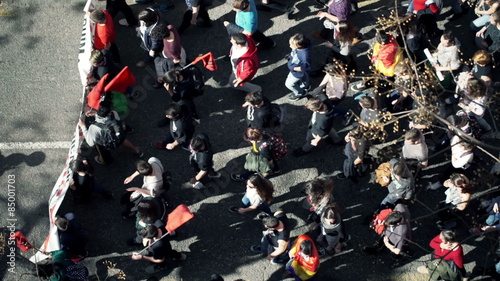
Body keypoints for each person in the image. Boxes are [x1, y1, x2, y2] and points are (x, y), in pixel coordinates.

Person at [78, 101, 143, 165]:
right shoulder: (114, 113)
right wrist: (96, 114)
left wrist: (83, 126)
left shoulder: (94, 127)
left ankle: (106, 161)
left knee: (99, 147)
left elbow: (90, 143)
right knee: (122, 139)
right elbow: (107, 119)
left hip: (107, 143)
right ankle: (136, 150)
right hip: (119, 137)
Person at [151, 24, 187, 88]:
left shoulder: (172, 48)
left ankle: (165, 79)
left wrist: (168, 62)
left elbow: (177, 60)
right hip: (177, 50)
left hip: (173, 56)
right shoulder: (170, 27)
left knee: (177, 67)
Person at [286, 33, 312, 101]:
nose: (290, 46)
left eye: (292, 45)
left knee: (289, 84)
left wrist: (292, 68)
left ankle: (300, 93)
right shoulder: (303, 47)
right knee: (304, 78)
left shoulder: (304, 57)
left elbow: (304, 68)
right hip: (302, 72)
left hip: (297, 72)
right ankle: (305, 86)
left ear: (298, 46)